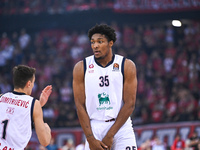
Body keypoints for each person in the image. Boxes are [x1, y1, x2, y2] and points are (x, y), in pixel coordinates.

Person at [73, 24, 138, 150]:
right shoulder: (81, 67)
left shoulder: (126, 65)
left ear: (110, 43)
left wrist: (111, 134)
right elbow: (80, 105)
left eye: (100, 42)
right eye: (92, 42)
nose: (95, 46)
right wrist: (90, 138)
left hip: (121, 126)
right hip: (94, 127)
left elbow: (130, 103)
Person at [0, 65, 52, 150]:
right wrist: (46, 127)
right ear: (28, 84)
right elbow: (45, 141)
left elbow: (12, 111)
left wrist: (39, 105)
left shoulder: (2, 97)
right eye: (33, 82)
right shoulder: (33, 103)